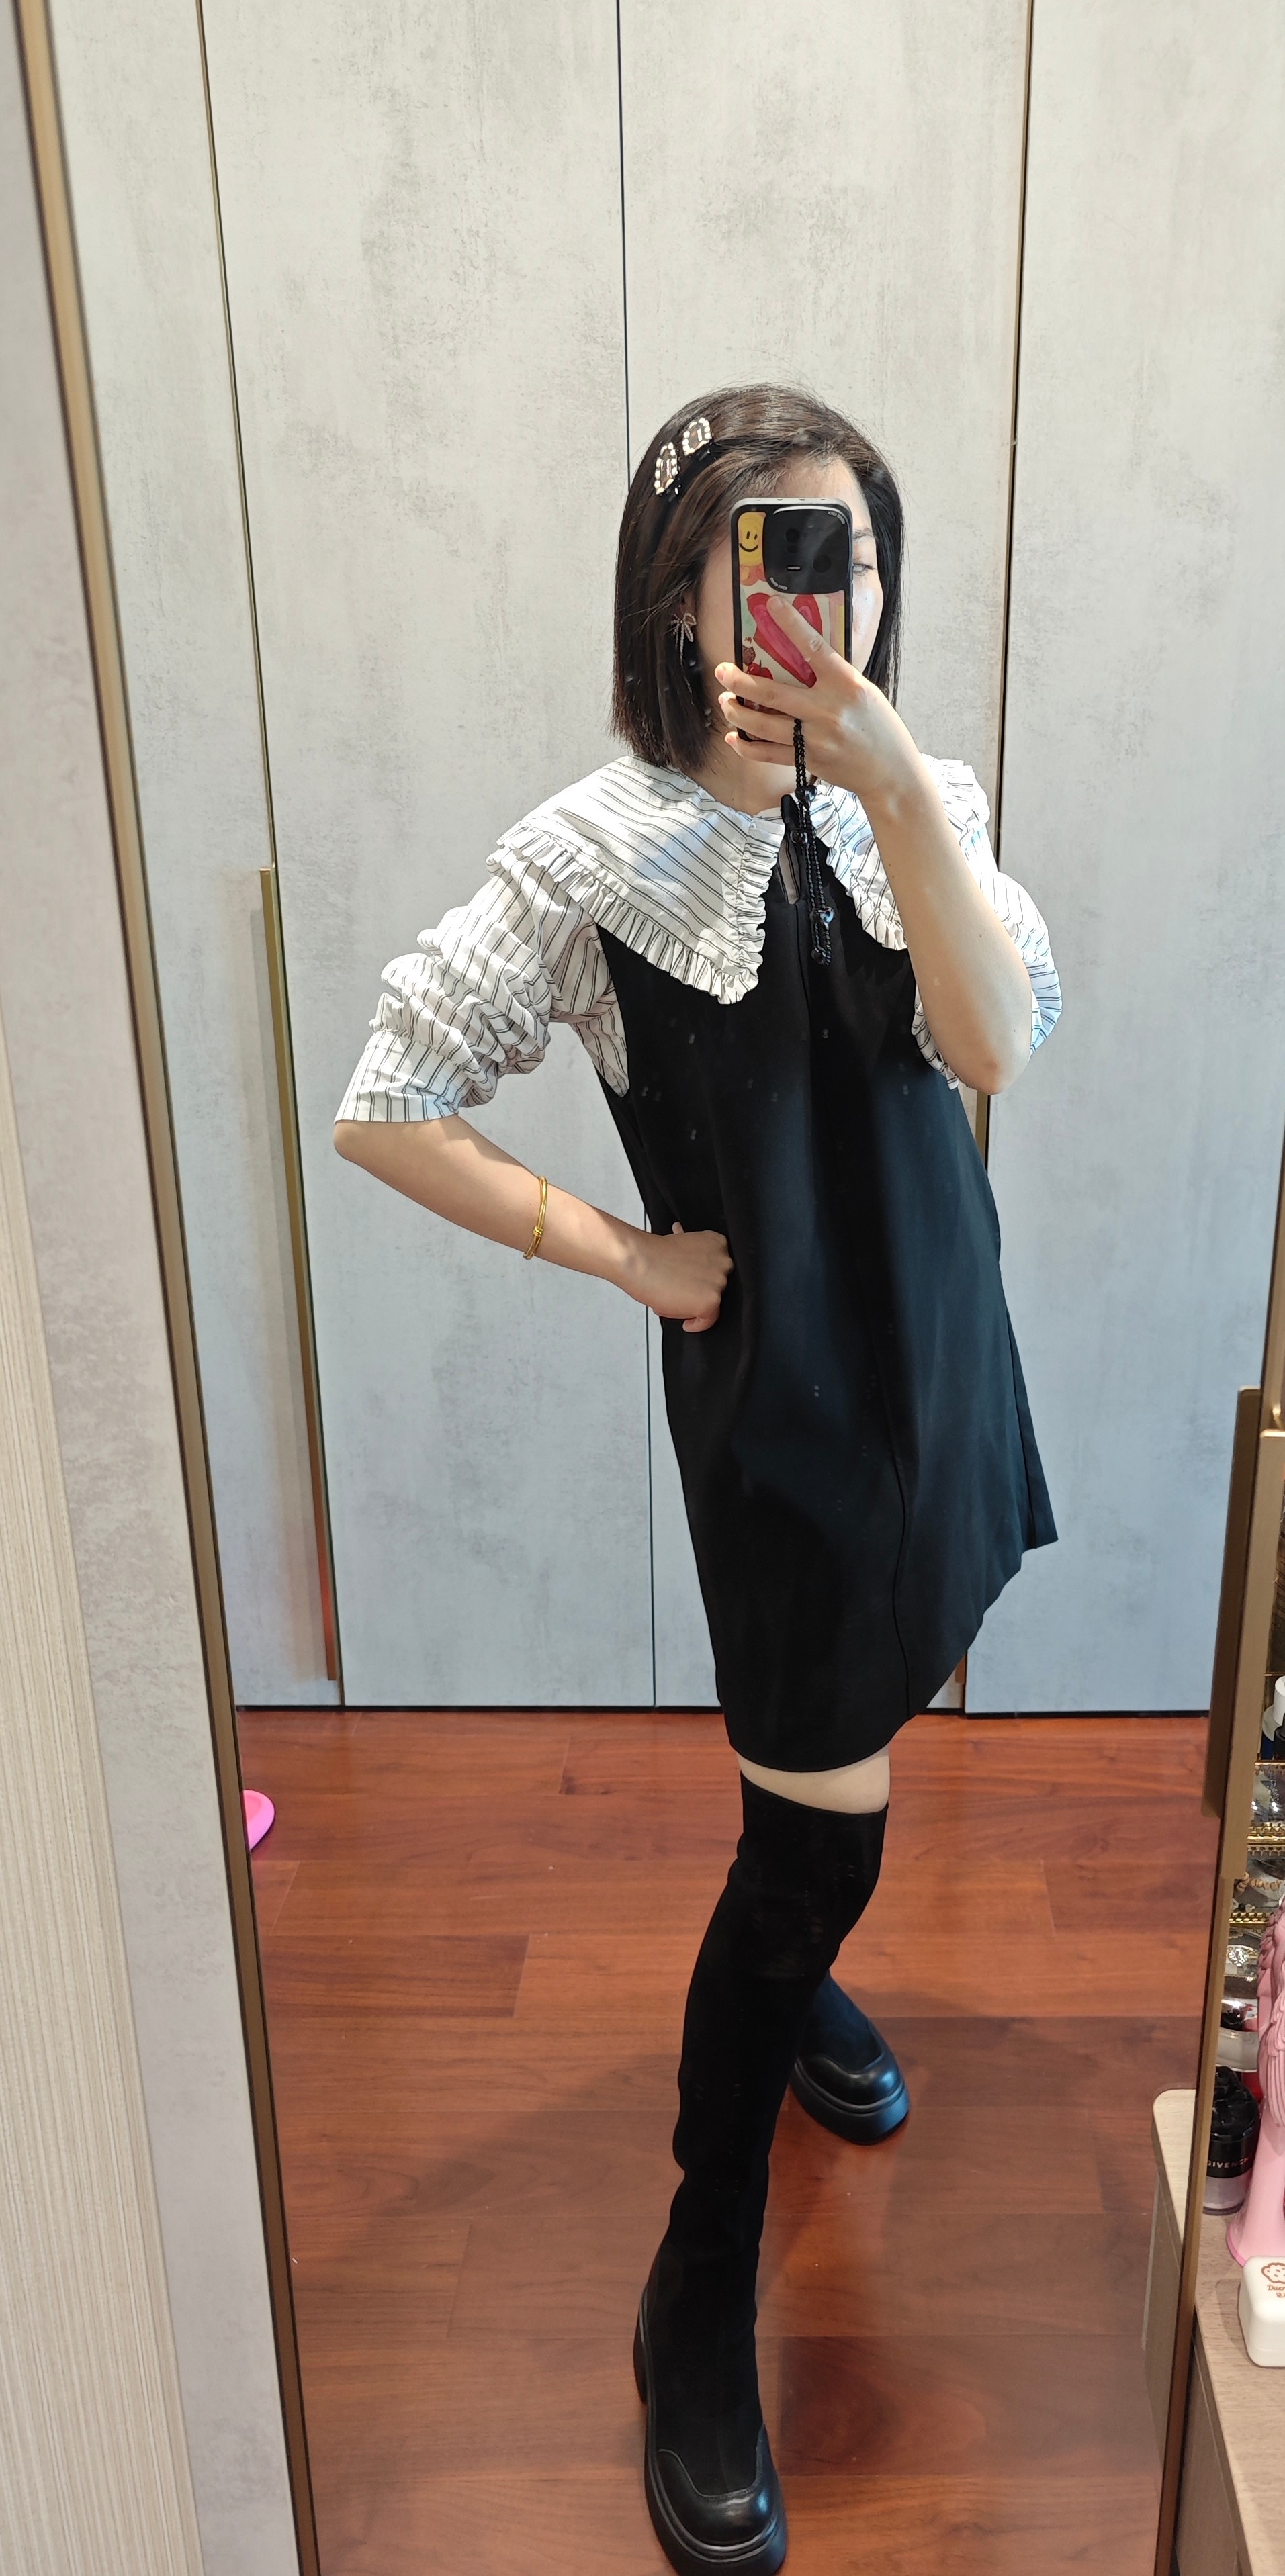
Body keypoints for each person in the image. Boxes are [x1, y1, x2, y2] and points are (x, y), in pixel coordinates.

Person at [334, 383, 1059, 2574]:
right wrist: (621, 1255)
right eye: (768, 563)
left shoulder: (917, 801)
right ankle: (691, 2282)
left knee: (864, 1739)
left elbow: (991, 1043)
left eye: (847, 559)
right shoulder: (595, 852)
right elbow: (387, 1097)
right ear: (679, 601)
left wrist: (890, 784)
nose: (814, 607)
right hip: (790, 1427)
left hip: (943, 1365)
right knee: (814, 1838)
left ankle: (807, 1971)